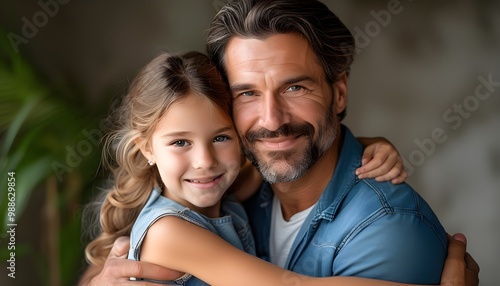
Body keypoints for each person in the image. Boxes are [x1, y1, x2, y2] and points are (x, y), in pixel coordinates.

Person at [79, 0, 480, 285]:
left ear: (338, 93)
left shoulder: (388, 229)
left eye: (295, 87)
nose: (271, 120)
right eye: (247, 93)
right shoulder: (238, 183)